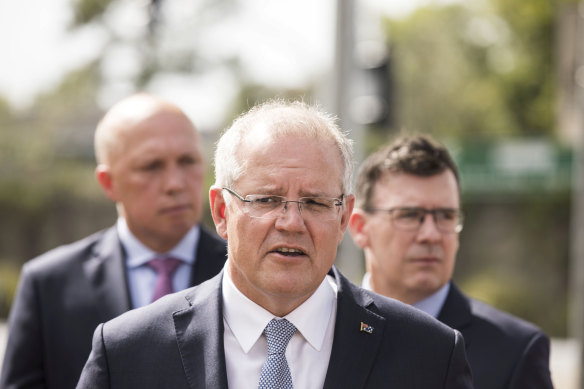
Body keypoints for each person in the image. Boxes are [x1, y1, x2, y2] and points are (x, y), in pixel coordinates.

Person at [76, 100, 472, 389]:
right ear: (220, 211)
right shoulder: (129, 352)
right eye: (267, 200)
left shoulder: (429, 355)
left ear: (343, 217)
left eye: (315, 203)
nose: (292, 223)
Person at [0, 94, 227, 389]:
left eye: (188, 161)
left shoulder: (243, 272)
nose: (176, 183)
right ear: (109, 182)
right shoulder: (50, 284)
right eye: (151, 166)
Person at [348, 134, 554, 389]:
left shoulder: (516, 352)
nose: (431, 235)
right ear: (360, 228)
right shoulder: (325, 331)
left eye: (446, 216)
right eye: (410, 215)